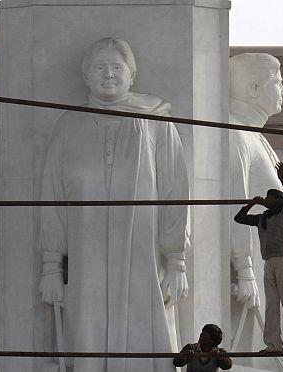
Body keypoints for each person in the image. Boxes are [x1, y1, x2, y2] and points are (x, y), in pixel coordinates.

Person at [39, 37, 190, 372]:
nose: (108, 74)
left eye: (116, 67)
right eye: (99, 67)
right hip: (85, 248)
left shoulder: (154, 120)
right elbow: (52, 197)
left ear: (131, 75)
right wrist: (51, 264)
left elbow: (174, 189)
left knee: (144, 332)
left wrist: (177, 259)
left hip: (142, 247)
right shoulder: (69, 124)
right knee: (86, 330)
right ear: (86, 76)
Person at [229, 53, 283, 312]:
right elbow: (234, 200)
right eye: (278, 82)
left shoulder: (255, 136)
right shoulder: (236, 134)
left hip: (269, 258)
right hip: (254, 266)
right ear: (253, 87)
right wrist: (244, 269)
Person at [234, 162, 283, 353]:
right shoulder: (262, 218)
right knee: (272, 305)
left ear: (277, 201)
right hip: (269, 263)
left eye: (269, 198)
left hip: (282, 261)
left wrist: (282, 179)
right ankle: (274, 345)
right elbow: (239, 218)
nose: (266, 200)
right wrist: (252, 204)